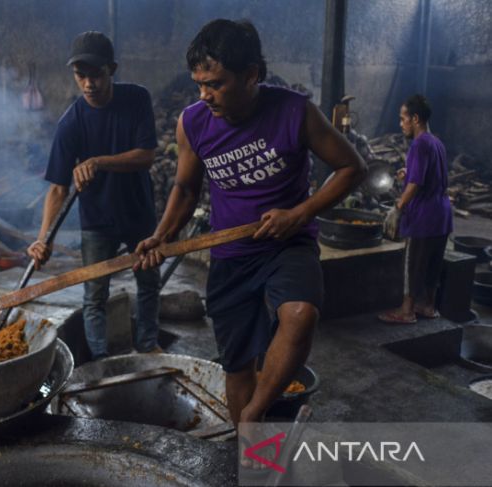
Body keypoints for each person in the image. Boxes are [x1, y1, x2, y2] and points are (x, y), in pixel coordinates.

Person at [134, 19, 366, 432]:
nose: (205, 94)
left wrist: (300, 213)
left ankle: (256, 412)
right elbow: (186, 189)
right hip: (231, 254)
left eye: (216, 84)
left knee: (299, 314)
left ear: (252, 74)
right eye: (199, 84)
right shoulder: (193, 122)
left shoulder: (295, 111)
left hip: (287, 246)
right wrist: (161, 235)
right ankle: (249, 447)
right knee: (237, 365)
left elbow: (352, 167)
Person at [27, 31, 161, 360]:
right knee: (94, 294)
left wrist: (98, 162)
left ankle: (148, 346)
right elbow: (58, 188)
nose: (89, 84)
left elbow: (146, 156)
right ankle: (101, 361)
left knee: (148, 282)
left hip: (139, 212)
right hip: (97, 221)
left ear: (111, 69)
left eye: (96, 75)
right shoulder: (70, 123)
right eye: (81, 76)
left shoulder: (136, 99)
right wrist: (43, 239)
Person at [378, 95, 453, 324]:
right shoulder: (435, 142)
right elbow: (429, 175)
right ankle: (428, 306)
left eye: (403, 119)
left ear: (416, 118)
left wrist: (398, 207)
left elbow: (416, 184)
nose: (401, 124)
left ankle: (407, 311)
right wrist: (407, 171)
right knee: (432, 263)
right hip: (442, 214)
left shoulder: (418, 144)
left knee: (414, 264)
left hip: (423, 216)